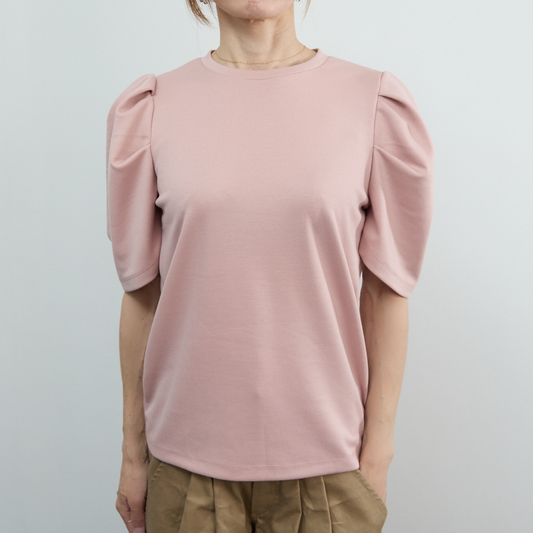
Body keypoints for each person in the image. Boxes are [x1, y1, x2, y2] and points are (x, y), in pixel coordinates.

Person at [105, 1, 435, 532]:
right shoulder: (152, 107)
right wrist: (132, 453)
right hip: (186, 469)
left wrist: (378, 455)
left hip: (330, 470)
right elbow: (142, 295)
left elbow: (385, 292)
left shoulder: (372, 102)